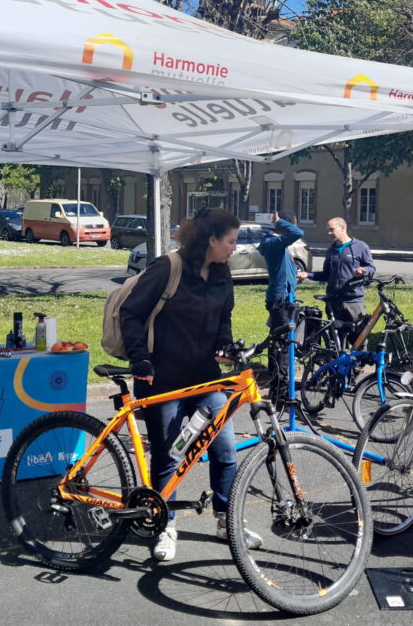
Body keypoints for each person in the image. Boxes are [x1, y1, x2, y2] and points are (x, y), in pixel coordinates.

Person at [119, 207, 260, 562]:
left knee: (225, 451)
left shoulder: (221, 273)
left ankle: (225, 520)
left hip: (206, 380)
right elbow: (131, 313)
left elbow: (222, 318)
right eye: (230, 241)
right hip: (163, 380)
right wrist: (140, 359)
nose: (235, 248)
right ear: (211, 240)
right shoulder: (169, 267)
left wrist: (226, 347)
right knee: (168, 456)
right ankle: (164, 524)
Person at [297, 217, 375, 328]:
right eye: (327, 230)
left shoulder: (361, 247)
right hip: (334, 302)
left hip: (353, 302)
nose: (329, 233)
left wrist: (364, 271)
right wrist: (308, 274)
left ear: (343, 228)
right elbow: (326, 274)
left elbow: (371, 268)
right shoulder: (331, 250)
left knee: (358, 340)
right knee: (335, 341)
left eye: (331, 229)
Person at [258, 210, 305, 332]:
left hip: (285, 296)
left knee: (280, 333)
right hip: (280, 298)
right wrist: (279, 222)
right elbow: (298, 233)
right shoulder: (273, 242)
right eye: (294, 225)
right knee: (282, 337)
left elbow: (284, 268)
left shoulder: (278, 244)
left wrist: (296, 274)